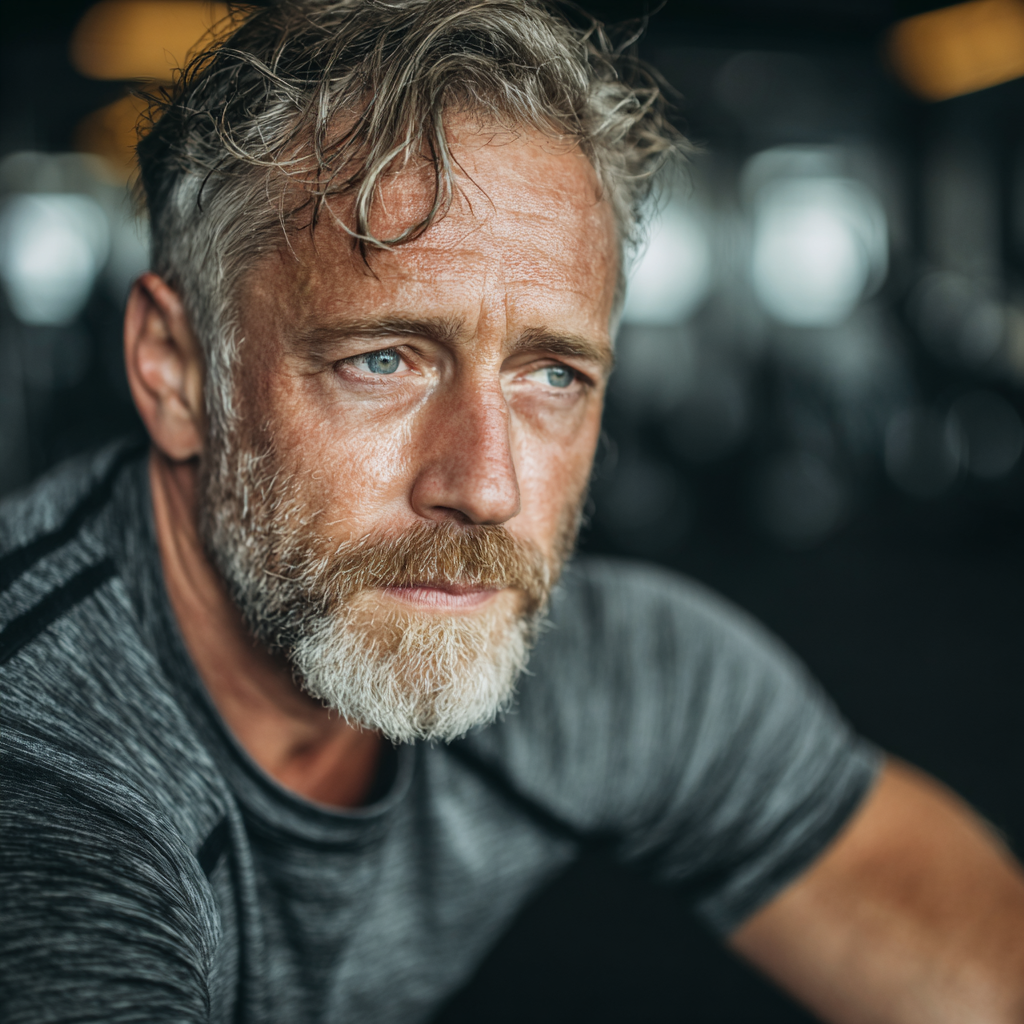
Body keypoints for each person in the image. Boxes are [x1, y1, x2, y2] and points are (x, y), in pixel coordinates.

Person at [2, 1, 1024, 1020]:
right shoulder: (46, 773)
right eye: (383, 360)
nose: (487, 488)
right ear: (177, 370)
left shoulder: (612, 674)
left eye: (551, 375)